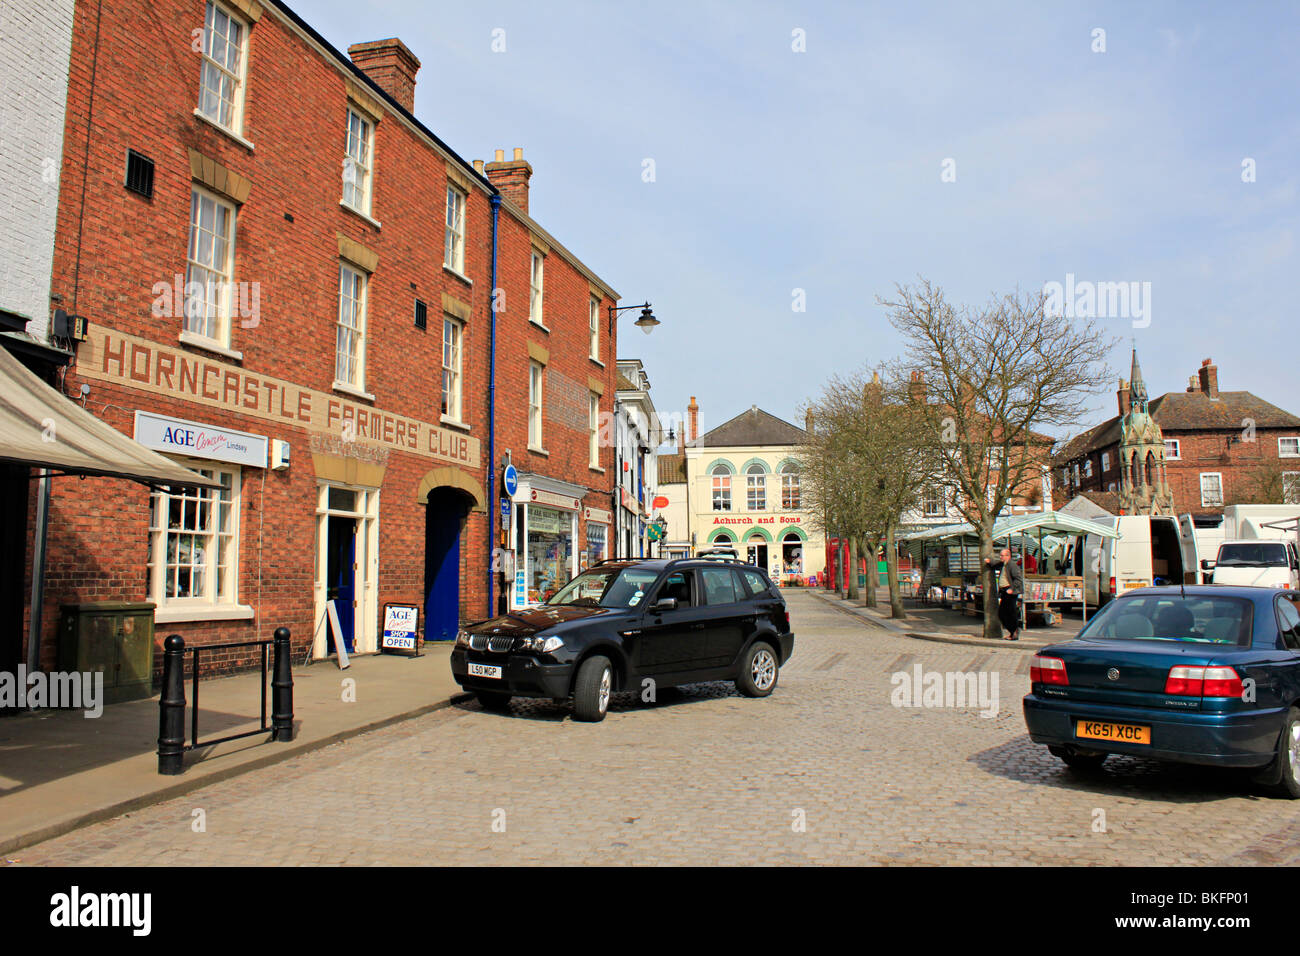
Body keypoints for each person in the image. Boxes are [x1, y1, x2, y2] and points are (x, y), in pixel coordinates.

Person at [983, 547, 1023, 640]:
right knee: (1003, 613)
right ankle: (1012, 631)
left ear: (1008, 556)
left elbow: (1018, 579)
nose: (1000, 557)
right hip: (1004, 591)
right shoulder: (1003, 564)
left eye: (1002, 555)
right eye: (1000, 555)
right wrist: (989, 562)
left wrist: (1012, 589)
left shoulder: (1012, 565)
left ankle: (1015, 631)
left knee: (1009, 612)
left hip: (1010, 592)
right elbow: (995, 565)